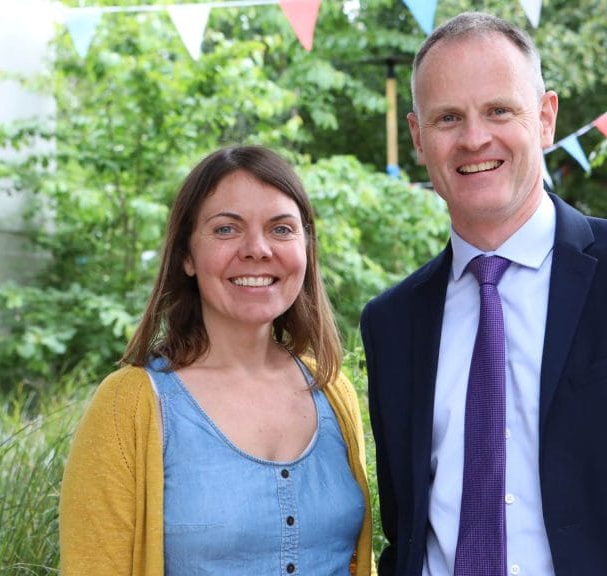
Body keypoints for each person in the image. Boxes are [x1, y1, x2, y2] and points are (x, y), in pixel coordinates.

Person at [360, 12, 607, 576]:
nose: (475, 138)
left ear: (545, 118)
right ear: (419, 138)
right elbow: (407, 529)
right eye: (448, 117)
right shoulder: (392, 323)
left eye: (499, 110)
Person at [60, 146, 374, 576]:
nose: (257, 249)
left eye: (281, 229)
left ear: (306, 248)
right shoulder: (128, 406)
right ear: (186, 256)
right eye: (226, 229)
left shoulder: (334, 391)